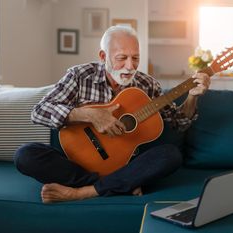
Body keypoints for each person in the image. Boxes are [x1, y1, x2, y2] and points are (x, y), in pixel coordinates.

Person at [14, 25, 210, 203]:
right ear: (103, 56)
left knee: (171, 155)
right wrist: (89, 115)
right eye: (122, 58)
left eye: (135, 58)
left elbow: (179, 123)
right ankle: (116, 185)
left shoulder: (147, 84)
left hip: (123, 165)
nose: (130, 66)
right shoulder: (80, 76)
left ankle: (82, 192)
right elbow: (39, 112)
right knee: (25, 155)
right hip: (73, 164)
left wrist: (192, 97)